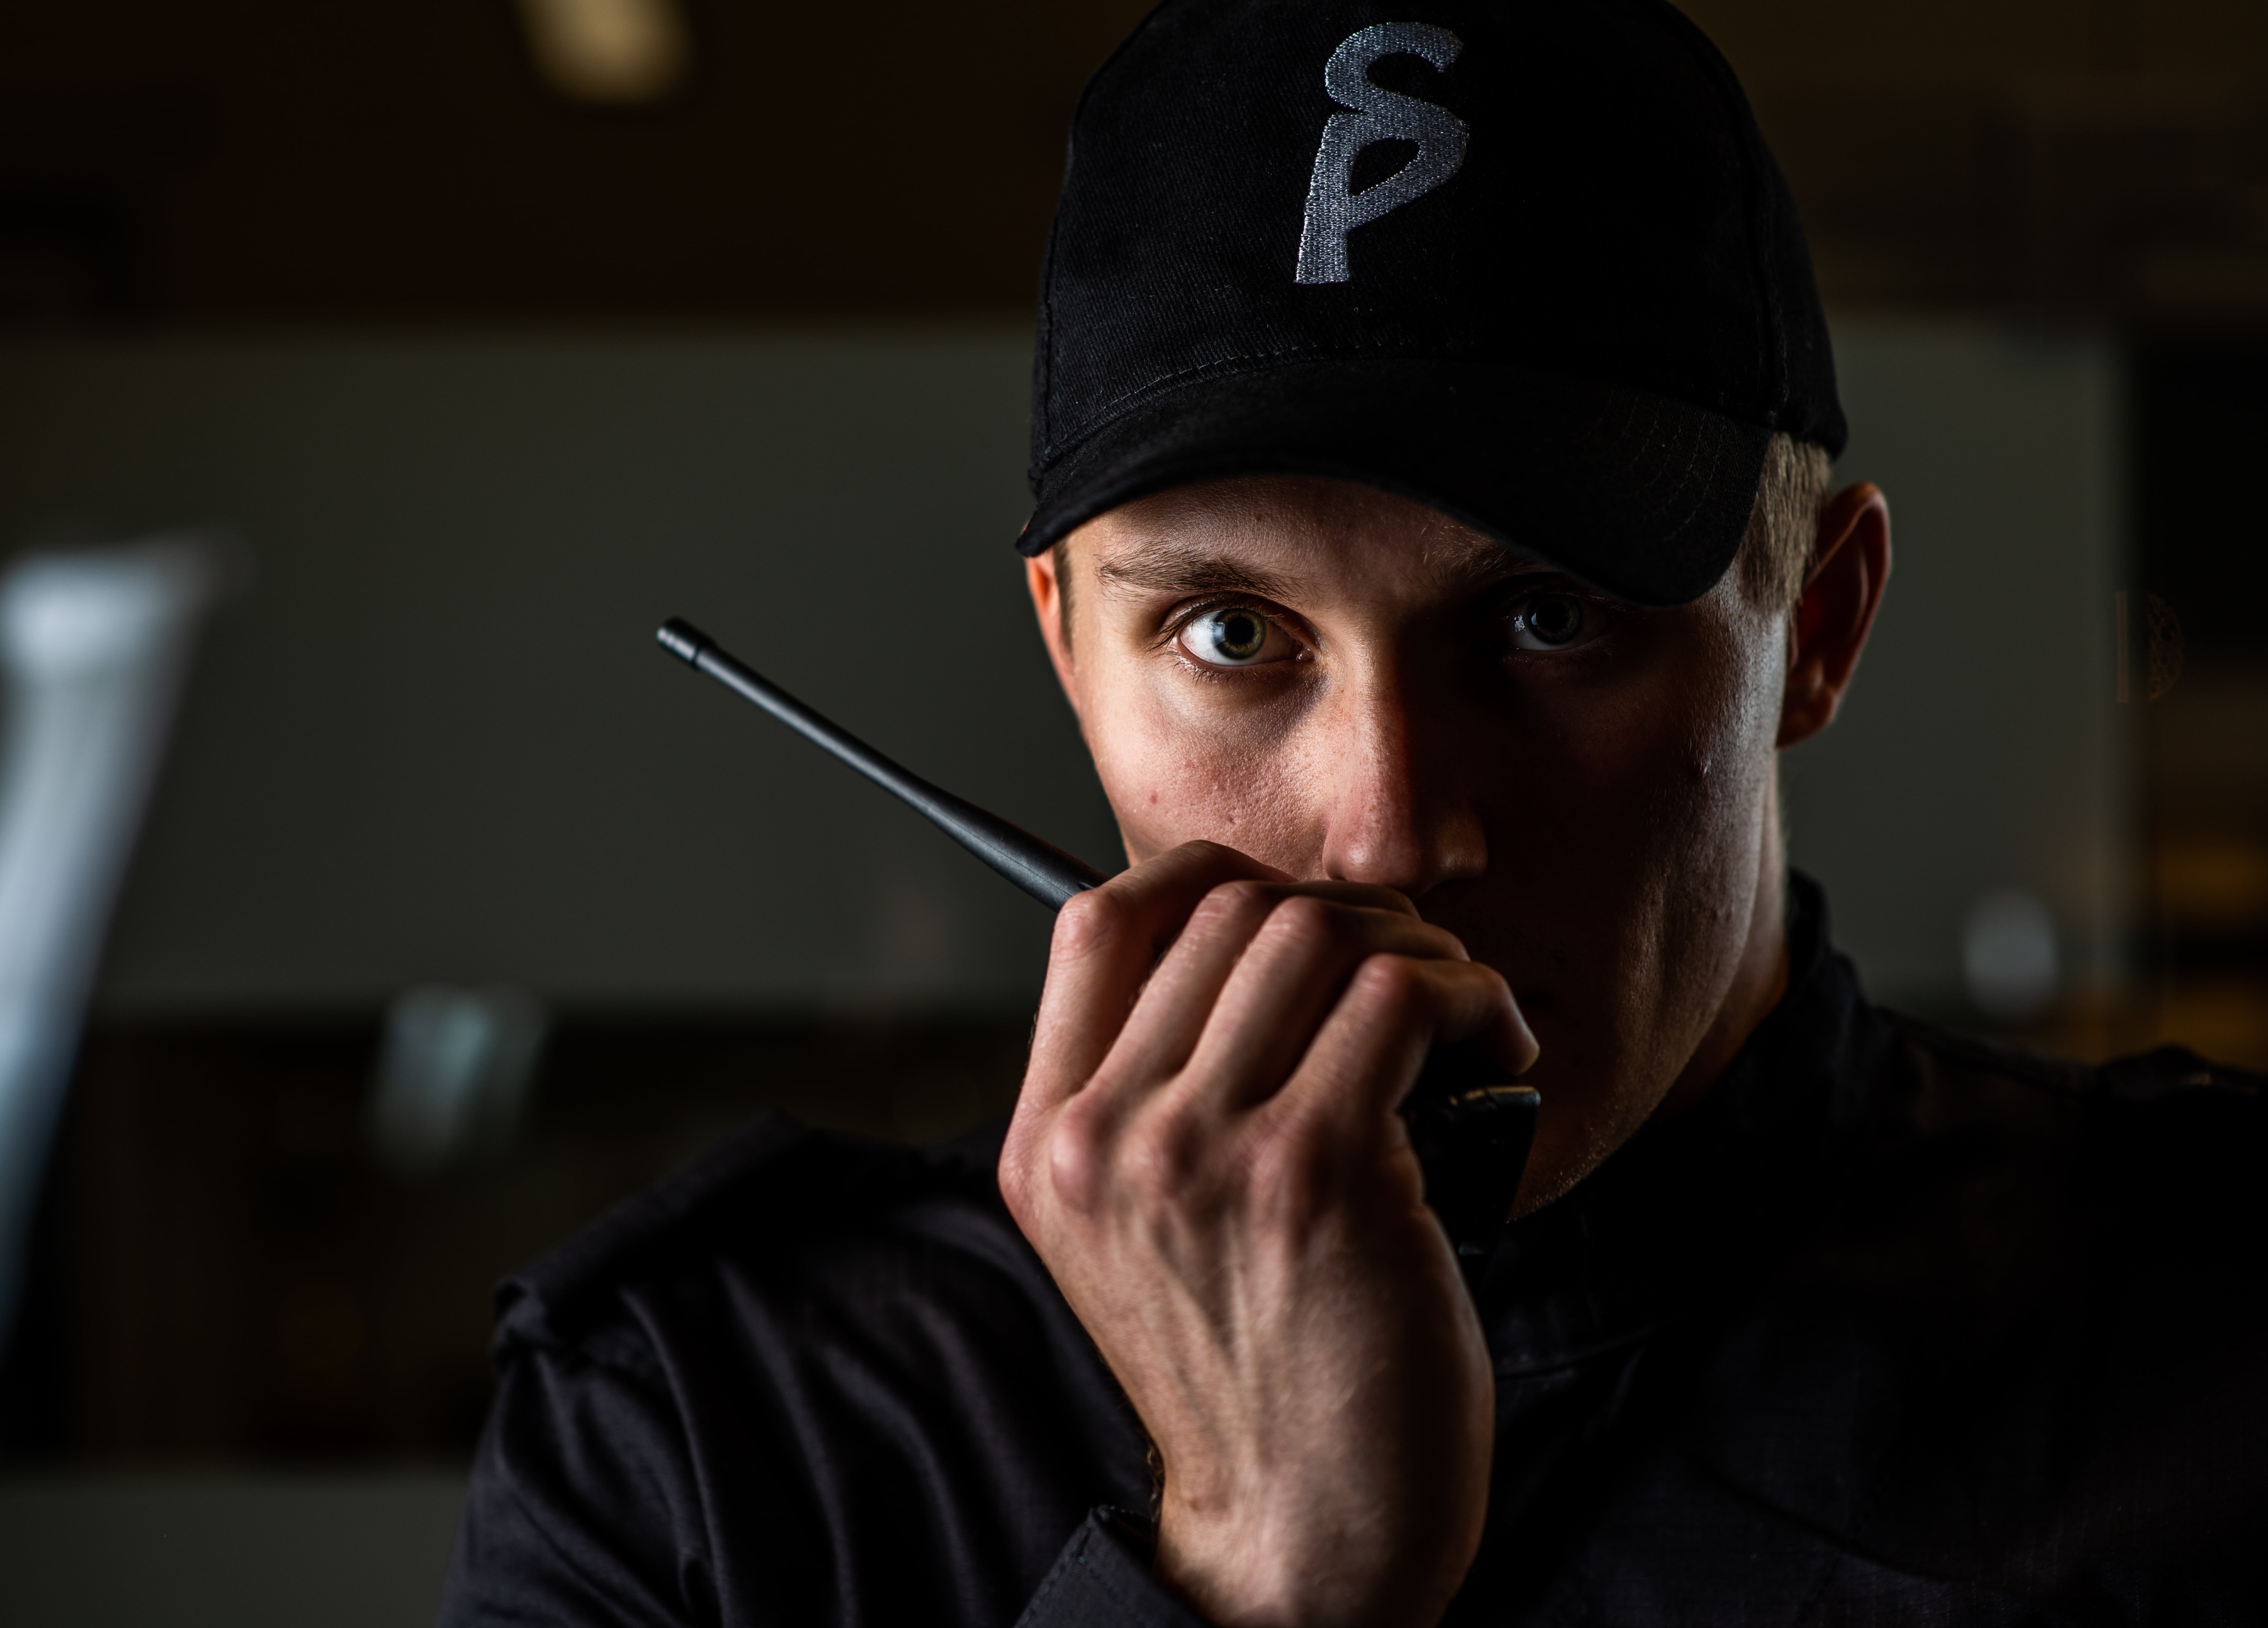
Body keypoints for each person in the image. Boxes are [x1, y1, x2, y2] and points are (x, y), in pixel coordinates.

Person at [439, 2, 2267, 1623]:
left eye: (1548, 618)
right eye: (1233, 635)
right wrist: (1248, 1585)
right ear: (1072, 655)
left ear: (1822, 625)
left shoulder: (2219, 1351)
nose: (1390, 832)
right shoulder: (701, 1443)